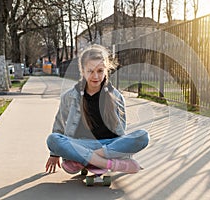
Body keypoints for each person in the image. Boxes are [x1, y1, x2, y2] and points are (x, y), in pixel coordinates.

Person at [45, 44, 149, 174]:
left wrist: (82, 155)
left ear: (106, 70)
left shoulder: (116, 97)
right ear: (82, 71)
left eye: (100, 71)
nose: (95, 76)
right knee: (53, 139)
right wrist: (54, 154)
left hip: (108, 145)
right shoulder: (69, 96)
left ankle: (84, 160)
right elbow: (59, 126)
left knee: (143, 136)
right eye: (90, 71)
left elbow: (121, 130)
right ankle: (111, 164)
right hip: (81, 144)